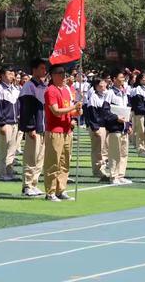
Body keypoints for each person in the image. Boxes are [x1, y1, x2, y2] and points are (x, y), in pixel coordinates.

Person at [43, 65, 82, 201]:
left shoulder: (66, 91)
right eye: (59, 73)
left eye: (63, 73)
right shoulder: (50, 91)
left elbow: (67, 110)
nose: (62, 76)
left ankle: (61, 189)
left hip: (67, 130)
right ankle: (51, 191)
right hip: (55, 130)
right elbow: (56, 111)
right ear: (52, 75)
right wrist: (73, 108)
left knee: (65, 162)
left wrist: (76, 112)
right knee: (53, 162)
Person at [19, 58, 47, 197]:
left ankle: (34, 183)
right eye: (41, 68)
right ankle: (27, 185)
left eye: (44, 68)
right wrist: (30, 127)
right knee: (31, 157)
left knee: (40, 158)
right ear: (34, 70)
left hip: (43, 128)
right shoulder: (29, 86)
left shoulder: (43, 85)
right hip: (34, 128)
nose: (44, 70)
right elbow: (27, 109)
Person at [105, 70, 133, 185]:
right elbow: (106, 111)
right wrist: (117, 118)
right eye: (121, 77)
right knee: (114, 153)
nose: (123, 79)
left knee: (124, 152)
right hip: (115, 127)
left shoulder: (124, 93)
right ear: (114, 79)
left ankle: (121, 175)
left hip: (124, 127)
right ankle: (113, 176)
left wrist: (129, 125)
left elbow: (127, 110)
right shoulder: (110, 93)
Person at [0, 67, 20, 181]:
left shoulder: (15, 89)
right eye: (9, 73)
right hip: (5, 123)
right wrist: (1, 124)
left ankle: (9, 171)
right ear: (2, 75)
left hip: (14, 123)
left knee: (12, 150)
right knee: (3, 149)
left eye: (13, 73)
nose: (12, 75)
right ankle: (2, 173)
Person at [86, 77, 110, 182]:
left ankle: (102, 169)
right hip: (98, 126)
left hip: (105, 126)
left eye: (104, 85)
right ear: (96, 87)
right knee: (97, 150)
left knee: (104, 150)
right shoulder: (94, 97)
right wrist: (95, 128)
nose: (103, 87)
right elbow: (92, 114)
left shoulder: (106, 95)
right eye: (101, 85)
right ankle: (97, 170)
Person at [130, 72, 145, 157]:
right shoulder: (137, 89)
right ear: (139, 79)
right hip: (140, 114)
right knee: (141, 131)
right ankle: (141, 149)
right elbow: (138, 104)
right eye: (143, 78)